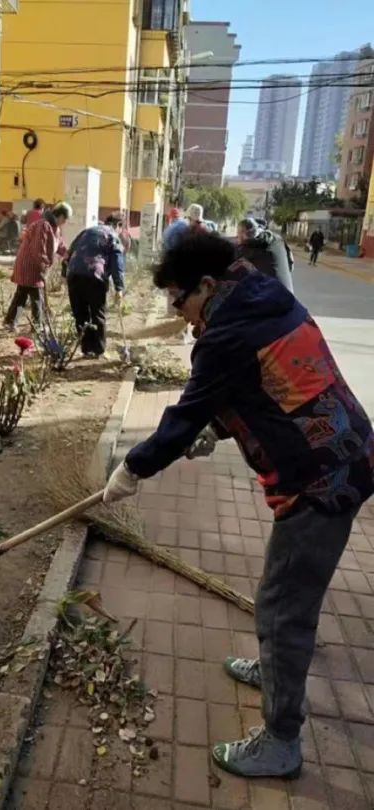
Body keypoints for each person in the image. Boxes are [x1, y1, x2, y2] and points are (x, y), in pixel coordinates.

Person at [104, 231, 374, 779]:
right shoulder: (265, 296)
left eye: (180, 300)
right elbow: (270, 388)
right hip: (342, 457)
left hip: (321, 480)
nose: (178, 314)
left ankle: (281, 741)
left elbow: (185, 413)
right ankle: (275, 665)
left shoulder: (226, 332)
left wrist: (133, 468)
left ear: (206, 285)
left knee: (281, 607)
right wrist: (221, 429)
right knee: (286, 595)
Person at [3, 201, 71, 331]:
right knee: (37, 296)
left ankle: (11, 322)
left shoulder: (54, 228)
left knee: (21, 296)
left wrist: (68, 254)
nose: (65, 222)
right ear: (61, 216)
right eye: (65, 219)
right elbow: (38, 249)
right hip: (30, 265)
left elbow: (60, 245)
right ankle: (38, 325)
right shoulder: (43, 225)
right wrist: (44, 266)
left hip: (35, 265)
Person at [64, 214, 125, 357]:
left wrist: (64, 273)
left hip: (74, 274)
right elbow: (117, 262)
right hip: (94, 275)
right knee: (97, 313)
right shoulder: (112, 235)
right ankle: (98, 350)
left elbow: (68, 253)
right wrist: (119, 287)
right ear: (118, 225)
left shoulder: (87, 231)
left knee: (81, 313)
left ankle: (86, 349)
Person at [236, 218, 294, 293]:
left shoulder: (248, 248)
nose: (237, 236)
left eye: (238, 233)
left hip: (272, 299)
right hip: (290, 296)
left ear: (244, 234)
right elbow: (291, 264)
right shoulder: (278, 239)